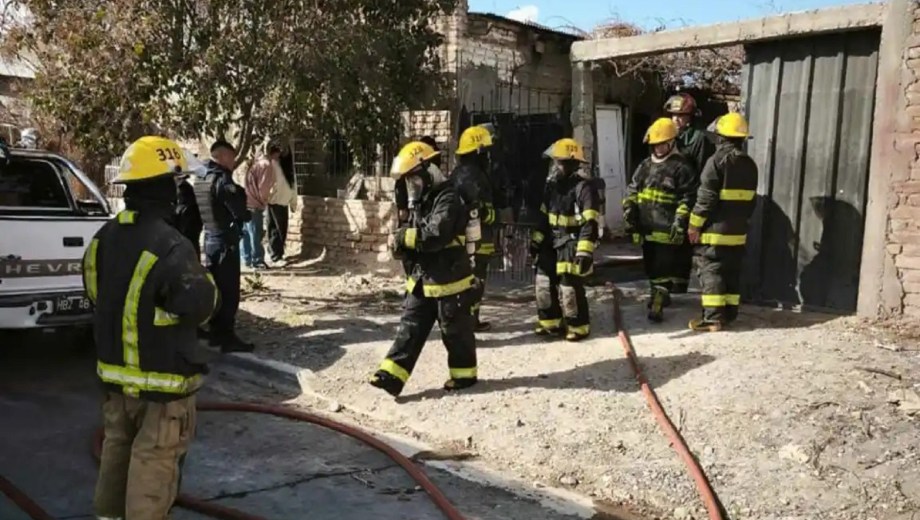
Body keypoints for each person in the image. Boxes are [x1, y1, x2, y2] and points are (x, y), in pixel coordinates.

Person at [82, 136, 219, 520]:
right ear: (164, 185)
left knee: (116, 453)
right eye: (176, 184)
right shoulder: (171, 245)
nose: (179, 192)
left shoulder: (102, 239)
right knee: (153, 467)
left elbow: (96, 294)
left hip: (114, 382)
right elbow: (199, 306)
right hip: (162, 386)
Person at [369, 141, 477, 397]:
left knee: (455, 332)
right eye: (408, 181)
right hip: (422, 278)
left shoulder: (448, 197)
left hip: (449, 280)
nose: (411, 185)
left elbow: (434, 235)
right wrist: (400, 244)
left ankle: (464, 376)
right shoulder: (423, 200)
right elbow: (414, 236)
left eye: (414, 178)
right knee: (410, 327)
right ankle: (391, 376)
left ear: (428, 170)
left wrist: (404, 237)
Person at [687, 112, 758, 332]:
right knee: (731, 271)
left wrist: (694, 225)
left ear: (720, 137)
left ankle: (713, 318)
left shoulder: (716, 162)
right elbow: (751, 201)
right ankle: (729, 313)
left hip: (715, 231)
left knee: (711, 270)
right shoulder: (749, 164)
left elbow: (706, 199)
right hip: (738, 230)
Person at [623, 118, 699, 322]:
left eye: (662, 143)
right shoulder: (645, 166)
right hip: (646, 228)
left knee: (663, 267)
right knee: (650, 266)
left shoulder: (682, 167)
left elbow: (688, 197)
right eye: (655, 144)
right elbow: (632, 190)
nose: (658, 148)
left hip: (667, 229)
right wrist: (630, 211)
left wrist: (680, 221)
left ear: (672, 142)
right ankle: (658, 294)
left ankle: (658, 301)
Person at [530, 138, 600, 342]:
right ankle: (550, 321)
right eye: (555, 162)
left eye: (559, 162)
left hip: (571, 241)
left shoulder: (584, 188)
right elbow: (544, 217)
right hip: (551, 240)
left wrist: (584, 251)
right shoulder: (552, 186)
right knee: (542, 281)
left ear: (571, 163)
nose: (556, 166)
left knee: (569, 286)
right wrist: (536, 240)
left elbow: (590, 222)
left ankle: (578, 325)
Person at [194, 139, 253, 352]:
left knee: (216, 289)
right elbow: (241, 212)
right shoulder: (222, 179)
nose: (233, 161)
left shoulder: (201, 178)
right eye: (231, 157)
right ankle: (226, 337)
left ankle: (215, 333)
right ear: (222, 156)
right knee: (228, 292)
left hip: (209, 241)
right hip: (225, 241)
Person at [664, 92, 715, 294]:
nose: (676, 119)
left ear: (690, 117)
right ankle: (665, 282)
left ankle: (679, 283)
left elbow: (703, 172)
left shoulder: (698, 139)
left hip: (688, 196)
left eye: (681, 116)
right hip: (668, 197)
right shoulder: (666, 135)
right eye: (673, 115)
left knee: (683, 243)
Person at [451, 125, 497, 332]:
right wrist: (493, 216)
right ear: (478, 152)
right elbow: (478, 210)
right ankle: (470, 321)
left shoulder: (456, 174)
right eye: (485, 151)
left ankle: (467, 319)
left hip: (461, 238)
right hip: (477, 240)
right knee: (476, 281)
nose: (488, 156)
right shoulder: (475, 176)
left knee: (464, 280)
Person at [241, 143, 281, 269]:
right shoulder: (267, 166)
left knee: (246, 233)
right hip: (255, 204)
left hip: (246, 202)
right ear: (275, 153)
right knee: (255, 234)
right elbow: (264, 188)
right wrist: (265, 201)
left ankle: (246, 259)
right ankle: (257, 260)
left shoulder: (255, 163)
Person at [266, 140, 298, 266]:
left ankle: (275, 253)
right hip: (274, 201)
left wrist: (293, 202)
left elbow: (292, 185)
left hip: (283, 201)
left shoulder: (286, 167)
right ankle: (275, 255)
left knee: (280, 229)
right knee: (276, 229)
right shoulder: (270, 165)